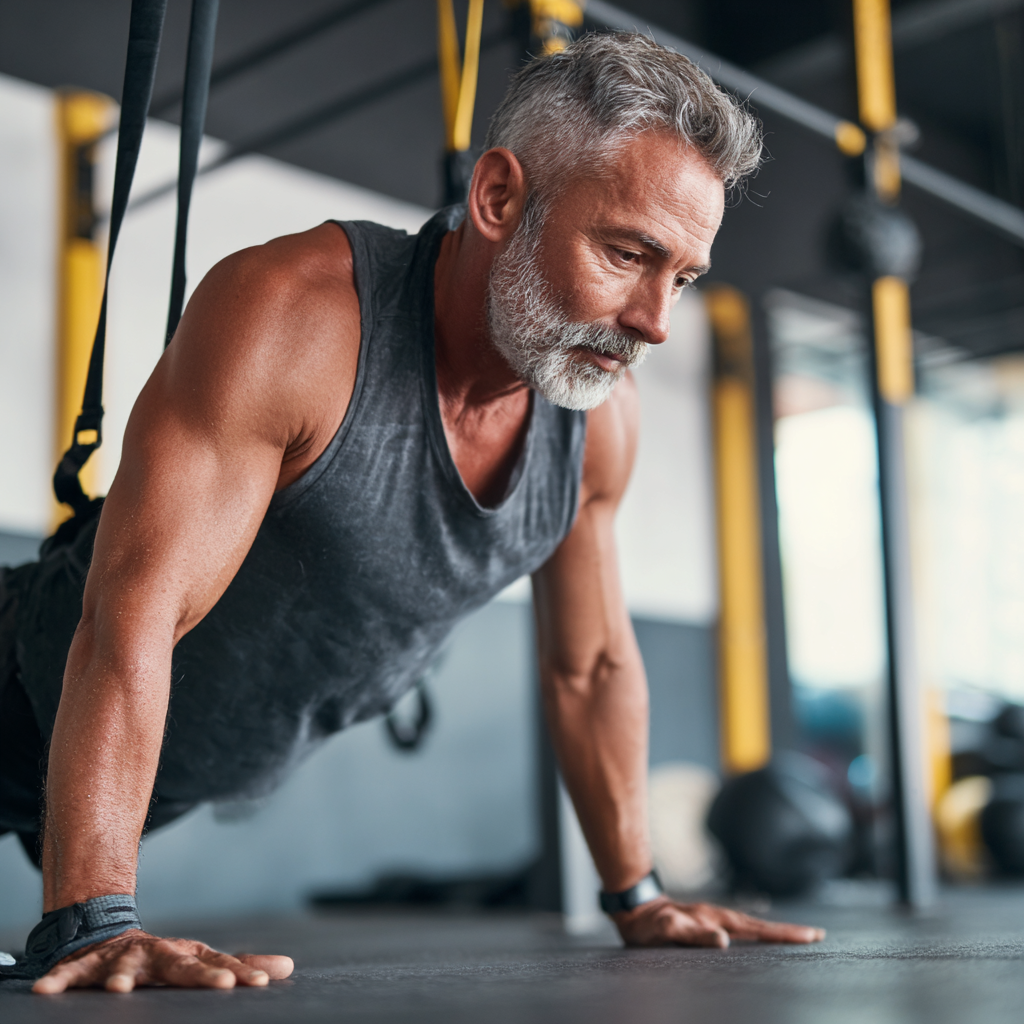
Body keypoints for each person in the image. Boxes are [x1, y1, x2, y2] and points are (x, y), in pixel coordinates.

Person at [0, 32, 824, 994]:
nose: (655, 321)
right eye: (628, 252)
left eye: (681, 277)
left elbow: (590, 662)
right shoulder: (296, 316)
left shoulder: (596, 420)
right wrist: (94, 920)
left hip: (149, 774)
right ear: (500, 198)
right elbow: (133, 615)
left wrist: (636, 891)